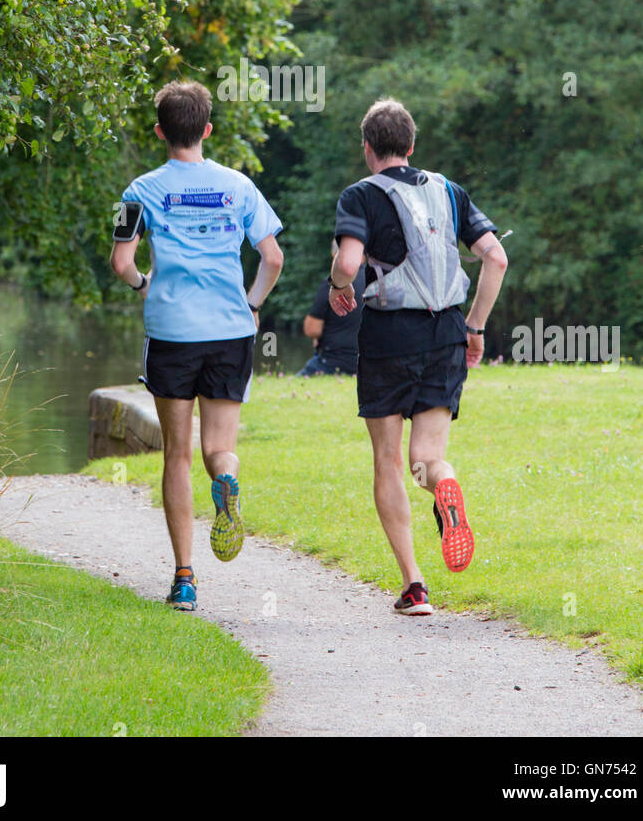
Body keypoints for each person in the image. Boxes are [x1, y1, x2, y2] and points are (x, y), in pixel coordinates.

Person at [110, 80, 284, 612]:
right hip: (230, 330)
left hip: (172, 333)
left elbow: (122, 264)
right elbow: (273, 257)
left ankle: (185, 579)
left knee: (177, 453)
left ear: (161, 131)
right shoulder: (240, 187)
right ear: (207, 129)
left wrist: (146, 286)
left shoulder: (137, 192)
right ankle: (227, 479)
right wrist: (252, 304)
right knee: (216, 449)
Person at [328, 98, 507, 616]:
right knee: (425, 460)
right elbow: (495, 257)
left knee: (387, 458)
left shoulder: (359, 196)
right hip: (447, 330)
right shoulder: (448, 190)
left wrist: (340, 285)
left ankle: (414, 586)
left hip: (388, 336)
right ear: (411, 146)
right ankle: (444, 484)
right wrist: (474, 327)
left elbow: (349, 260)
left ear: (368, 149)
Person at [298, 240, 364, 376]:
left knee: (294, 382)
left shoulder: (332, 284)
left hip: (333, 362)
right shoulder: (376, 281)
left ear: (335, 255)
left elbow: (311, 329)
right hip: (368, 363)